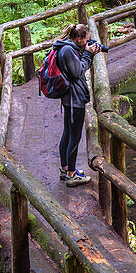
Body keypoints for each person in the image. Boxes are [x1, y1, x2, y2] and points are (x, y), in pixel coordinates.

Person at [51, 22, 102, 187]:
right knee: (74, 136)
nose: (87, 42)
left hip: (69, 98)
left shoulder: (66, 46)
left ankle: (65, 169)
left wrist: (86, 52)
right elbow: (78, 72)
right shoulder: (67, 50)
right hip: (74, 99)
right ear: (79, 38)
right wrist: (88, 54)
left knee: (67, 132)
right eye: (86, 40)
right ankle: (72, 175)